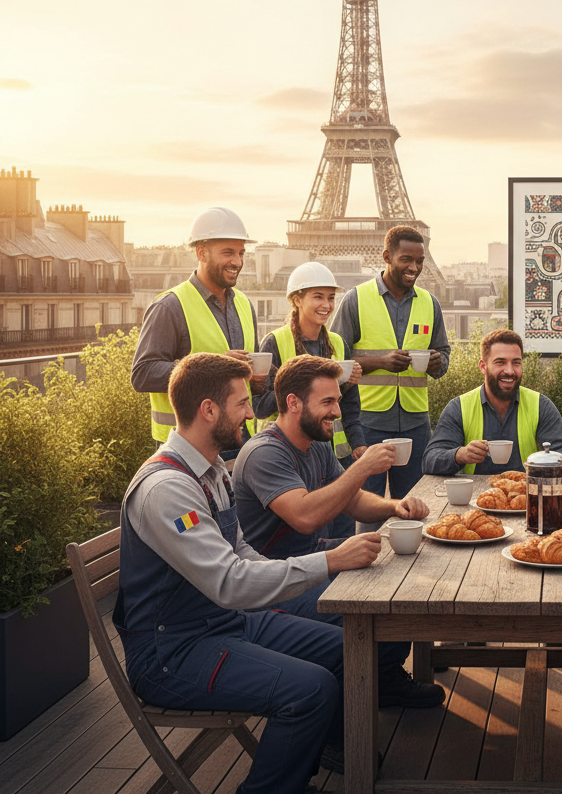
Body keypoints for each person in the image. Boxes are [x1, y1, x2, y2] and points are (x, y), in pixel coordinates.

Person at [114, 352, 384, 792]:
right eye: (242, 403)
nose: (250, 413)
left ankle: (315, 760)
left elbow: (242, 554)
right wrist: (329, 561)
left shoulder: (213, 470)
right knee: (310, 690)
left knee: (345, 646)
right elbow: (228, 581)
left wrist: (322, 561)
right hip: (172, 652)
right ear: (209, 410)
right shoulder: (167, 490)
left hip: (222, 624)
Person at [233, 355, 445, 709]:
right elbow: (304, 517)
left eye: (339, 401)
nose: (338, 411)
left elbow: (352, 499)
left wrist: (394, 507)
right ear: (293, 402)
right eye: (328, 402)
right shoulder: (265, 453)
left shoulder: (315, 444)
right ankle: (343, 715)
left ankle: (384, 677)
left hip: (313, 560)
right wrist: (361, 468)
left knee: (401, 577)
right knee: (379, 605)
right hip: (276, 581)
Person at [131, 207, 264, 461]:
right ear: (201, 253)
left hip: (237, 440)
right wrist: (213, 366)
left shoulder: (245, 306)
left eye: (240, 253)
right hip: (185, 447)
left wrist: (256, 381)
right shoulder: (169, 306)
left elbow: (245, 378)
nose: (237, 262)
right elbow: (142, 374)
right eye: (228, 253)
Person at [332, 226, 450, 502]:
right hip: (366, 423)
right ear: (387, 256)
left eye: (420, 261)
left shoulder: (430, 304)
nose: (415, 267)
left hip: (415, 423)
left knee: (414, 504)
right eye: (406, 260)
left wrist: (436, 363)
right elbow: (335, 362)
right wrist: (380, 362)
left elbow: (444, 355)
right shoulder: (355, 300)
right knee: (367, 506)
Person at [253, 261, 365, 539]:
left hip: (333, 457)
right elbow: (260, 406)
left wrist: (359, 442)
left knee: (342, 536)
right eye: (318, 296)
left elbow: (349, 405)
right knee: (307, 537)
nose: (326, 305)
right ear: (296, 300)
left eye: (330, 297)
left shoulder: (338, 343)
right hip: (289, 457)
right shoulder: (274, 342)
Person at [422, 328, 562, 475]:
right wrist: (459, 455)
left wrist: (544, 467)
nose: (510, 371)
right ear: (483, 367)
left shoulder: (540, 405)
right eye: (500, 362)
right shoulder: (459, 407)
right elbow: (430, 460)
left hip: (526, 497)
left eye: (516, 363)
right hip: (473, 501)